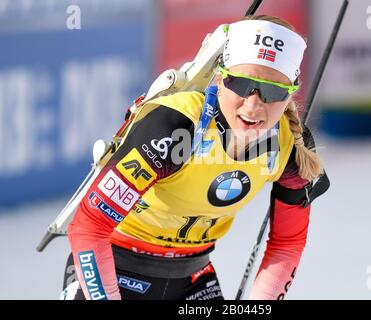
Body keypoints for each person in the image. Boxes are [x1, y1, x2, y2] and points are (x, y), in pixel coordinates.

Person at [60, 14, 325, 301]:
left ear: (290, 93)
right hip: (112, 265)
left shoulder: (290, 145)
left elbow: (287, 244)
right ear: (221, 78)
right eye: (241, 84)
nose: (253, 105)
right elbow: (90, 226)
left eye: (273, 90)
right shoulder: (176, 126)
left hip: (193, 281)